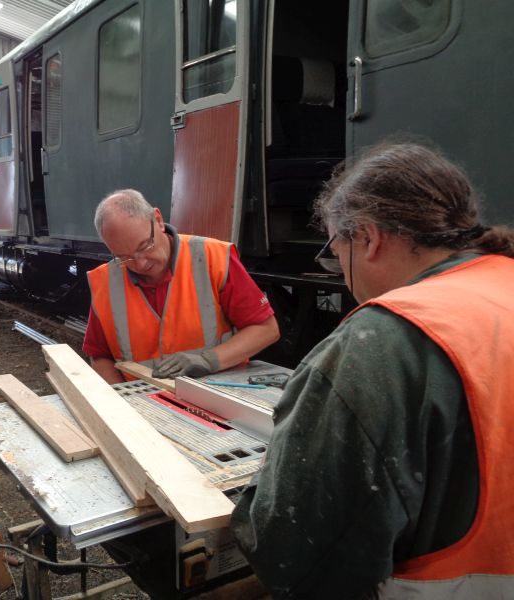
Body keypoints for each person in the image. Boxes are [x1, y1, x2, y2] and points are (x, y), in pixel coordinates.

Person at [231, 141, 514, 598]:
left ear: (368, 237)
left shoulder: (385, 341)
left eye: (336, 250)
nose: (342, 273)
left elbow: (294, 551)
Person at [83, 189, 280, 384]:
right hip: (144, 404)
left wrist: (208, 360)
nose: (141, 263)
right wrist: (122, 400)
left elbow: (266, 329)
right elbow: (100, 356)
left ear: (158, 220)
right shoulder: (106, 282)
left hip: (217, 395)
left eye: (145, 246)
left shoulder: (213, 258)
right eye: (125, 257)